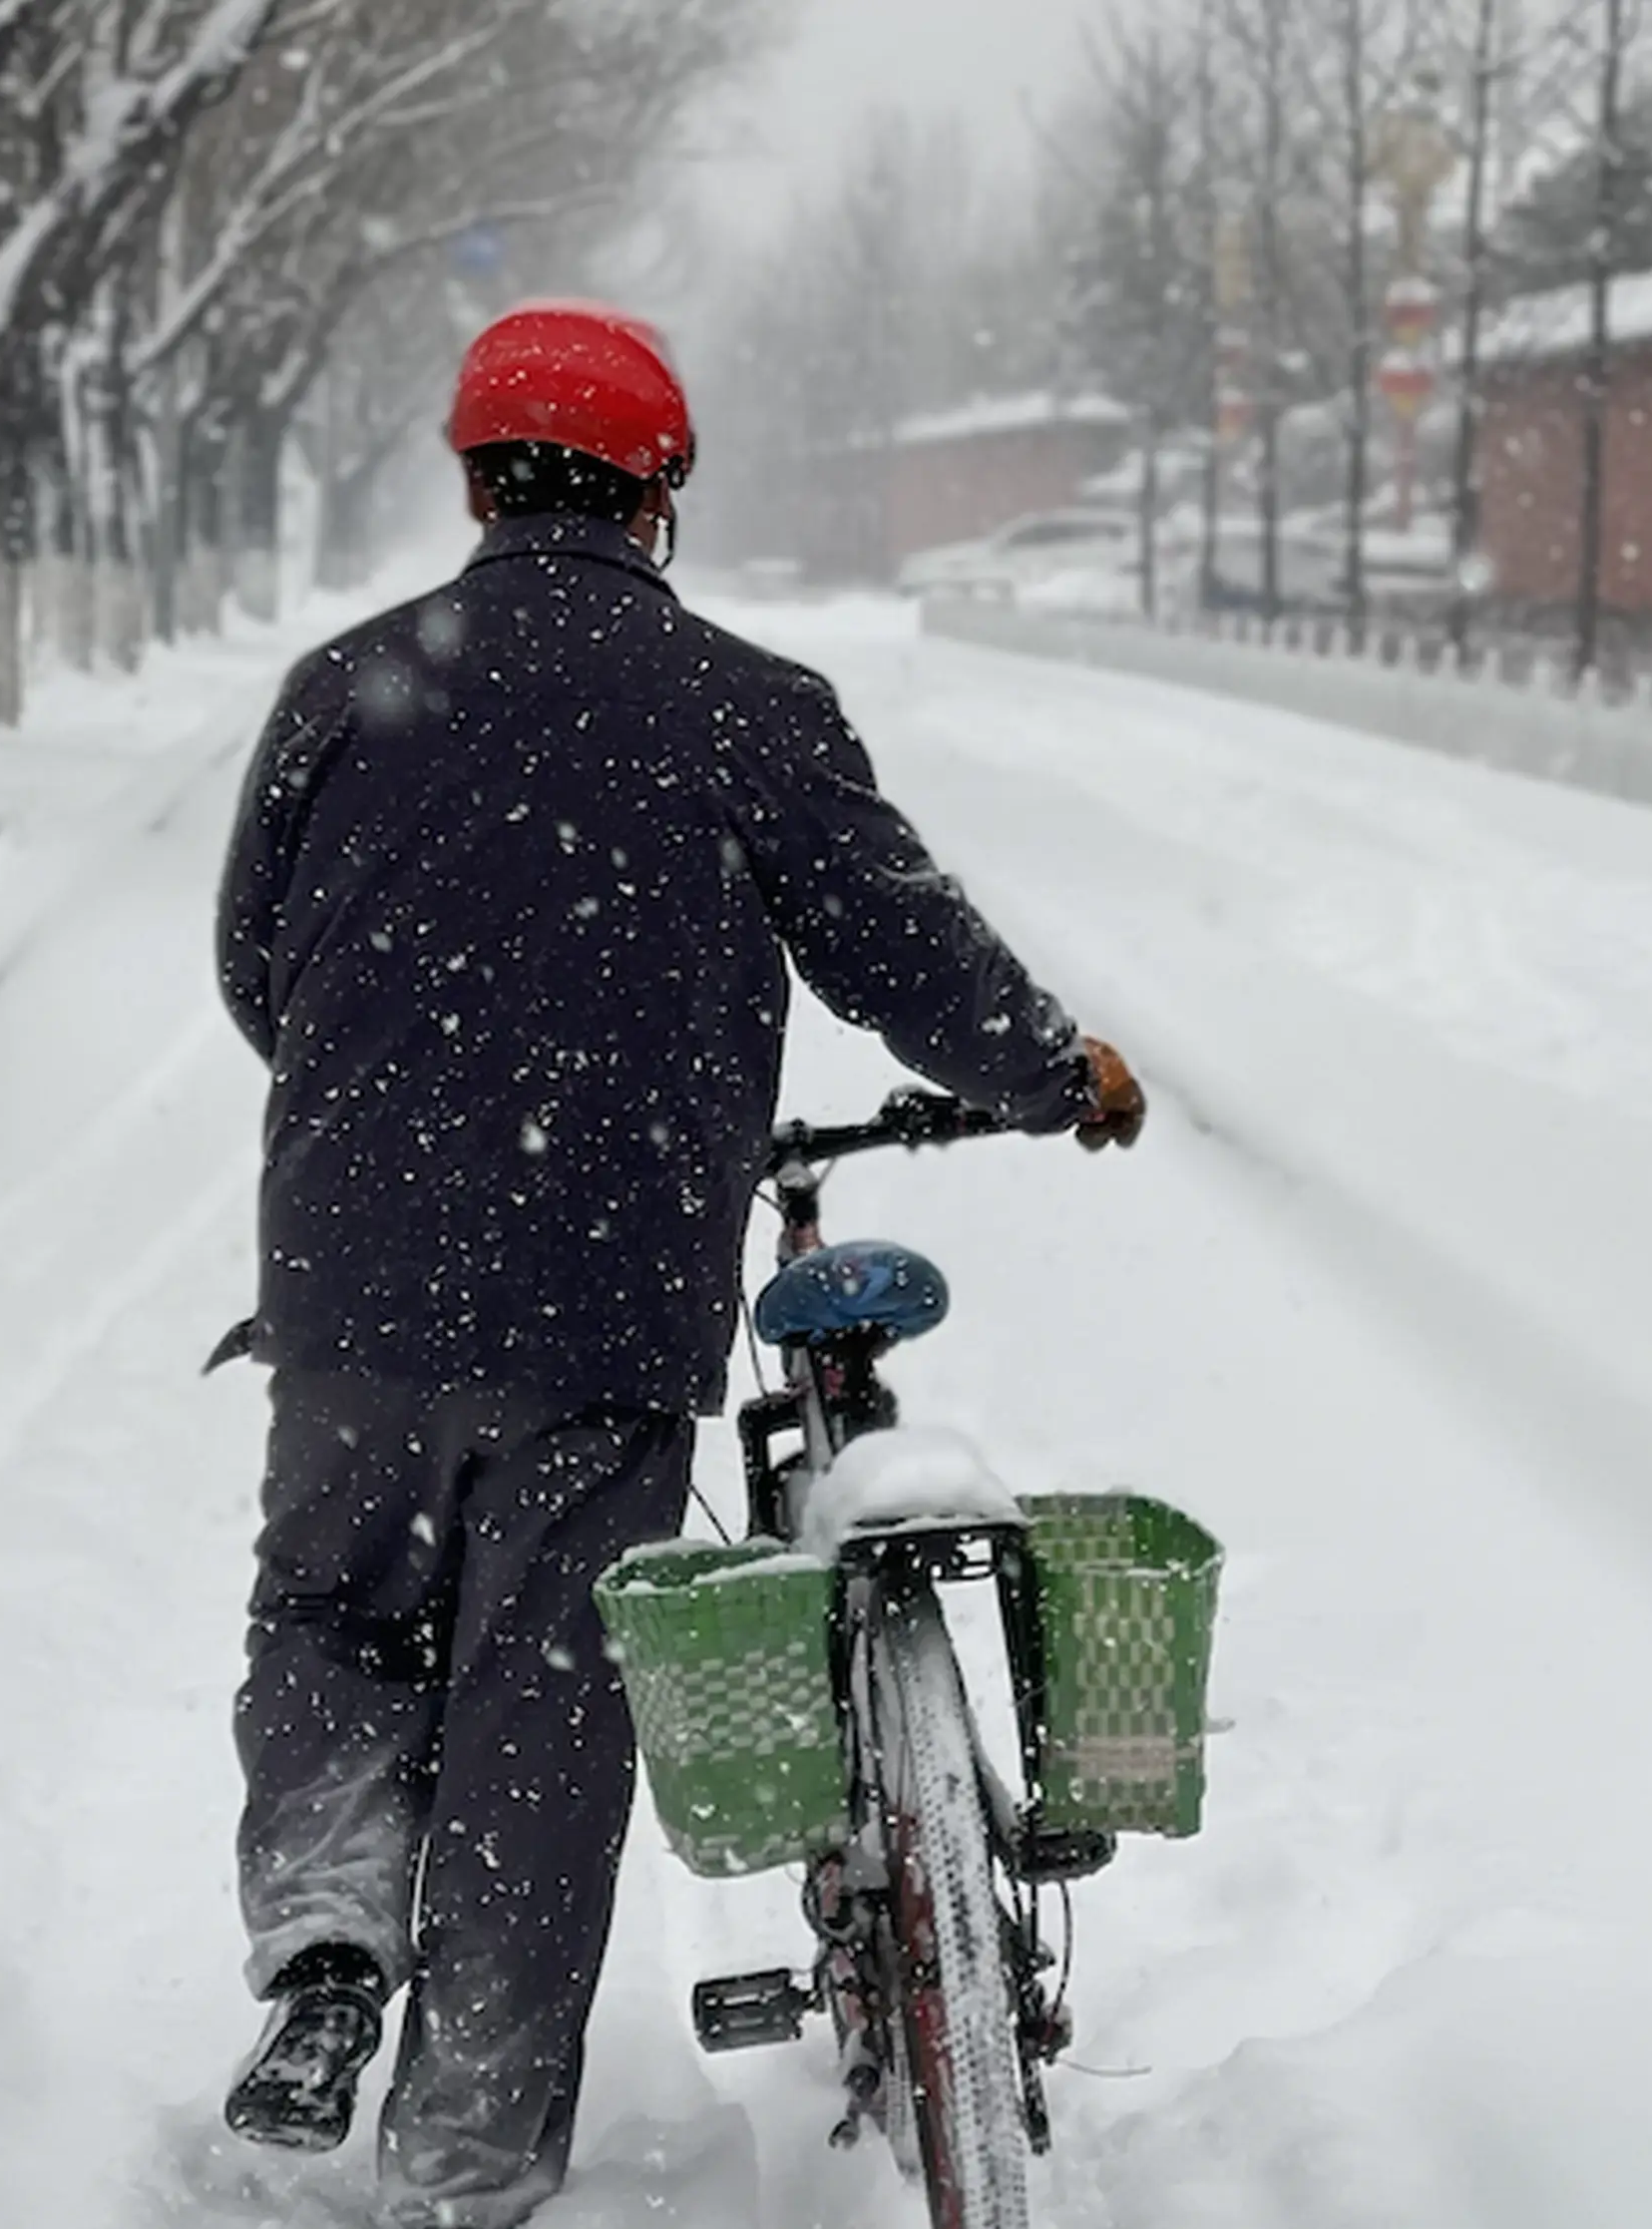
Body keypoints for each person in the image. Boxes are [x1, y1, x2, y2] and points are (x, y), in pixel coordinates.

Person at [209, 298, 1143, 2228]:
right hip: (601, 1300)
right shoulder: (748, 706)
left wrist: (397, 1107)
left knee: (332, 1614)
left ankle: (320, 1924)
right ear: (661, 496)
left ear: (473, 480)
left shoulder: (338, 690)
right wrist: (1062, 1071)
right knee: (538, 1736)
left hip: (356, 1286)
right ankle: (463, 2163)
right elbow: (911, 957)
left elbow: (254, 974)